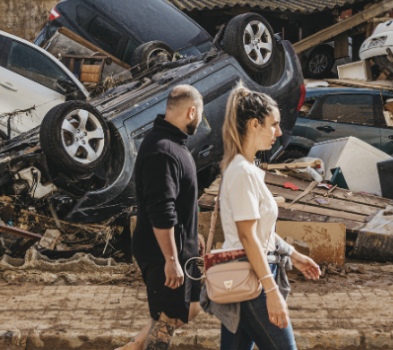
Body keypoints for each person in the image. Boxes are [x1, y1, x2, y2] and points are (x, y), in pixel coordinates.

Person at [202, 84, 321, 350]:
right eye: (274, 124)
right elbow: (248, 237)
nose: (278, 132)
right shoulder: (243, 172)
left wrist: (293, 255)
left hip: (250, 272)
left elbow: (260, 230)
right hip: (251, 278)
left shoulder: (247, 168)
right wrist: (271, 291)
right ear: (255, 124)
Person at [119, 84, 204, 350]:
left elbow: (178, 201)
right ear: (191, 111)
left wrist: (192, 234)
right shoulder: (163, 152)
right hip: (163, 255)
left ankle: (133, 347)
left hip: (180, 248)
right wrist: (171, 260)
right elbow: (161, 210)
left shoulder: (173, 144)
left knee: (192, 306)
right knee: (167, 320)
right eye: (200, 115)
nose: (201, 122)